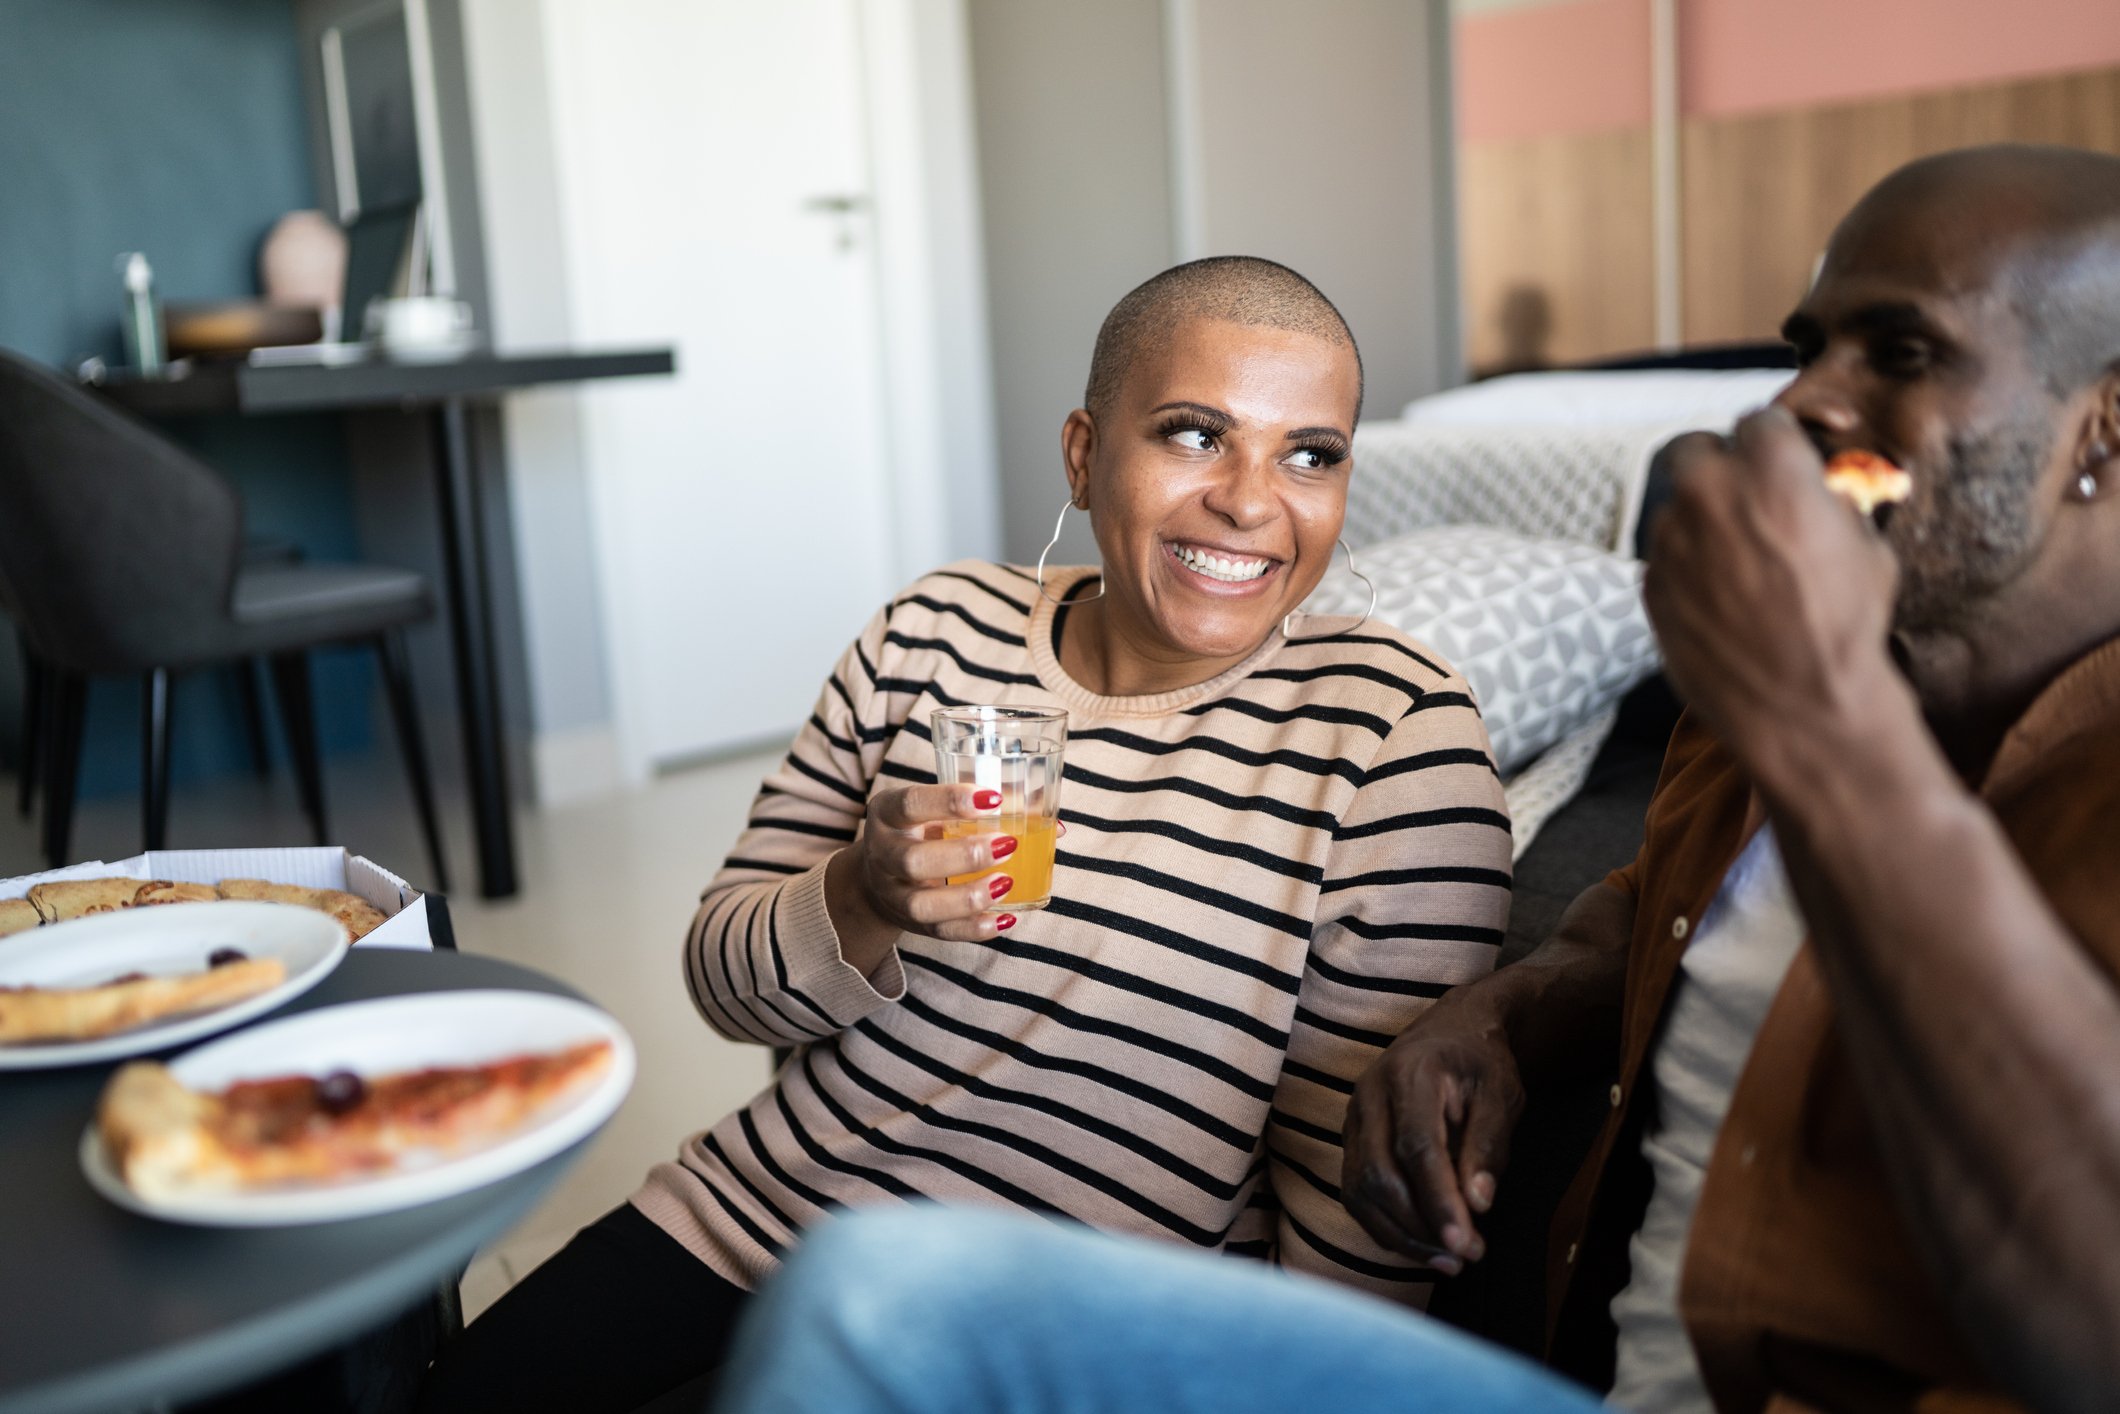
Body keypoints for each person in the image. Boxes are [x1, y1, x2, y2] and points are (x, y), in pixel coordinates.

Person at [707, 144, 2120, 1414]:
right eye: (1804, 346)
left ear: (2102, 429)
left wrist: (1826, 725)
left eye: (1901, 351)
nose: (1802, 403)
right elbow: (1639, 926)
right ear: (1085, 456)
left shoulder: (1808, 718)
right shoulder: (1749, 727)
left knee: (877, 1294)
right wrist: (1496, 1019)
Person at [418, 257, 1514, 1412]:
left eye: (1310, 453)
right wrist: (859, 897)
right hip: (759, 1214)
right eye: (1194, 434)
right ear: (1085, 453)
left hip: (1049, 1326)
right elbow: (721, 983)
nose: (1250, 500)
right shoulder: (932, 630)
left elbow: (1364, 1200)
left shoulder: (1387, 725)